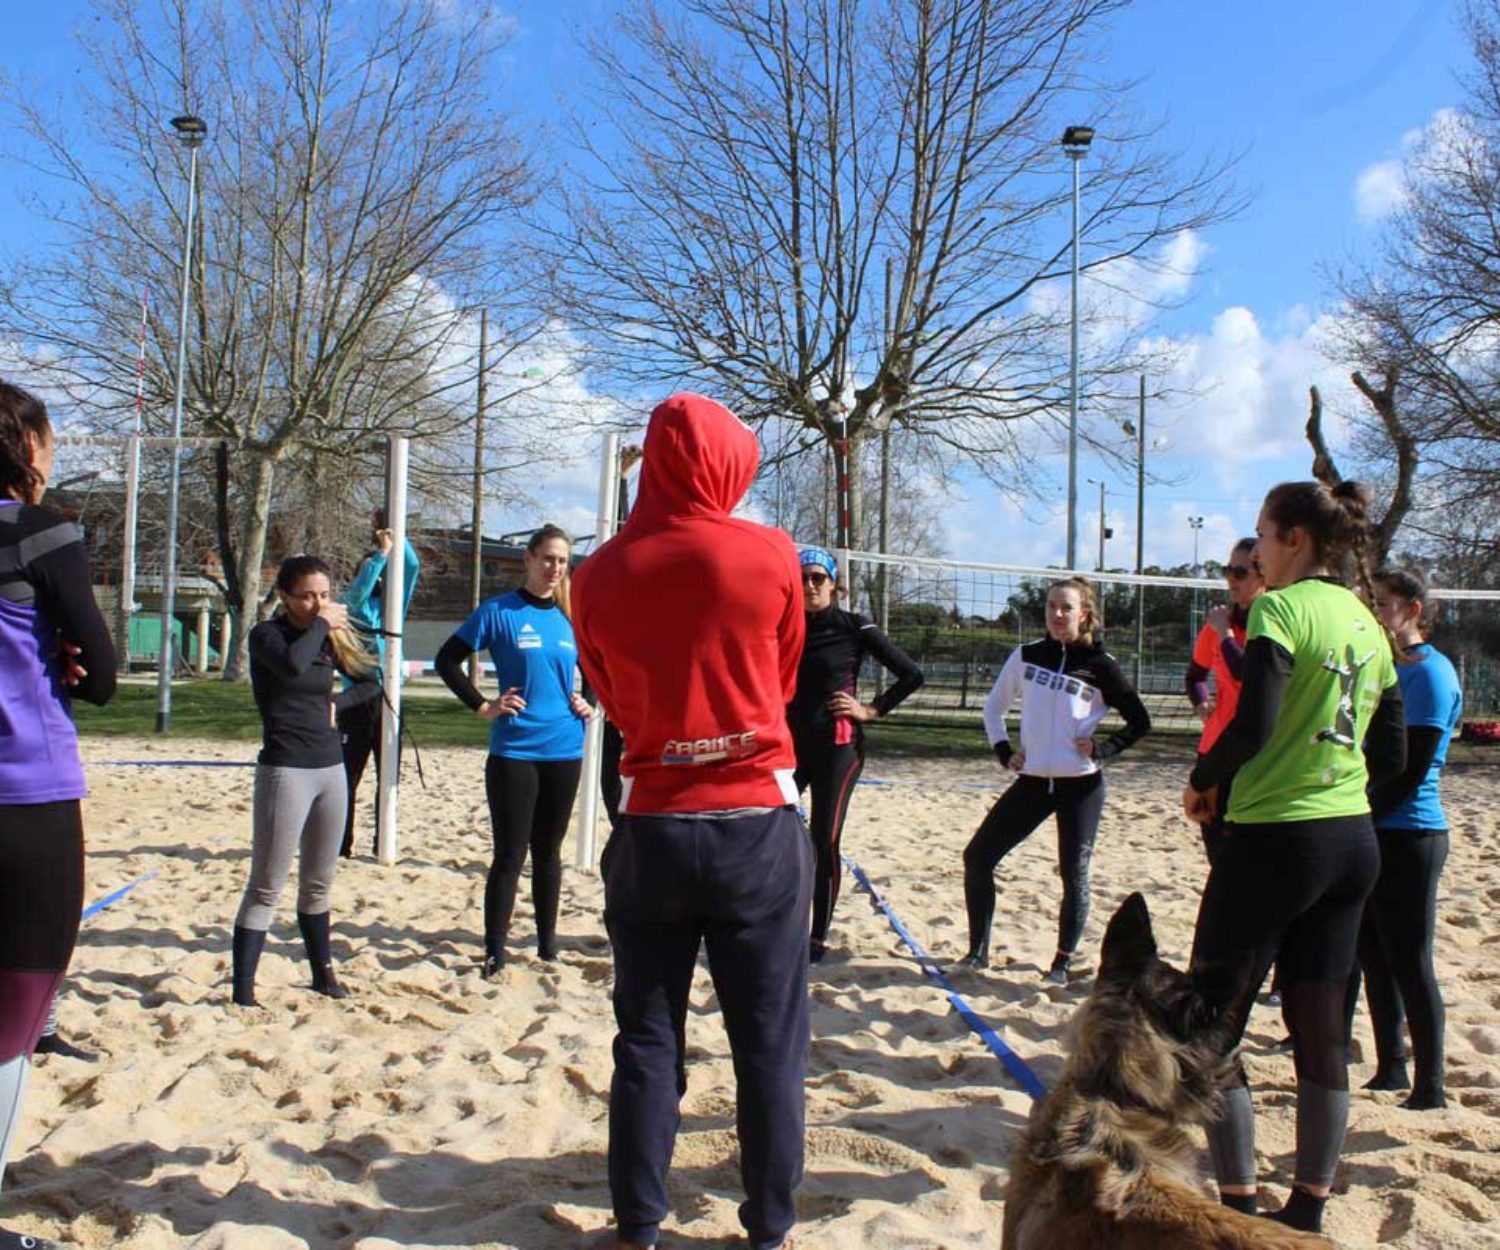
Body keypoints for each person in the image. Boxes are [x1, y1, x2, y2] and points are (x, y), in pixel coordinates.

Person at [572, 393, 809, 1250]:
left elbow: (606, 690)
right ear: (724, 461)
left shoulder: (594, 574)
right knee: (768, 1042)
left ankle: (638, 1225)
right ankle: (769, 1227)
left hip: (652, 818)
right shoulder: (770, 555)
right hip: (755, 817)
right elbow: (781, 679)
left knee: (645, 1036)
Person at [1183, 480, 1406, 1235]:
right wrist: (1340, 790)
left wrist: (1204, 780)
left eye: (1262, 539)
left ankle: (1241, 1202)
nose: (1257, 557)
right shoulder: (1367, 621)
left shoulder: (1281, 609)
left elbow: (1255, 724)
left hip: (1276, 838)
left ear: (1295, 541)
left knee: (1211, 1027)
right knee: (1320, 1029)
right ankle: (1308, 1208)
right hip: (1351, 842)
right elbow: (1394, 750)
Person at [0, 380, 116, 1247]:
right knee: (14, 1020)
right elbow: (104, 671)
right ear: (23, 444)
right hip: (24, 794)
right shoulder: (39, 529)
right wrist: (75, 659)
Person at [960, 577, 1151, 983]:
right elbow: (993, 710)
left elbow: (1140, 721)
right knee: (977, 857)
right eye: (1051, 607)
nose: (1057, 615)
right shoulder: (1026, 656)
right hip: (1032, 782)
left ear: (1084, 614)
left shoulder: (1101, 665)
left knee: (1073, 874)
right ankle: (976, 953)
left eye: (1066, 608)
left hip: (1080, 786)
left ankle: (1061, 964)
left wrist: (1104, 748)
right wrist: (1003, 751)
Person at [434, 524, 591, 978]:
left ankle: (547, 945)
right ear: (528, 558)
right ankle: (494, 950)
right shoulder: (499, 612)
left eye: (562, 561)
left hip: (565, 747)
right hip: (515, 751)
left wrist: (589, 701)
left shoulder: (570, 617)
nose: (554, 568)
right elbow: (447, 660)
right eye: (547, 559)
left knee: (550, 850)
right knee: (510, 853)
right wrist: (483, 705)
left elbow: (598, 670)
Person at [232, 555, 379, 1007]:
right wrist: (322, 624)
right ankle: (243, 990)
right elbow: (293, 666)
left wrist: (341, 698)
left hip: (329, 765)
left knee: (319, 881)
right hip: (285, 768)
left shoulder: (330, 636)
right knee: (267, 883)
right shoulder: (267, 636)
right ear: (284, 596)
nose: (318, 604)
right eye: (307, 596)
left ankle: (322, 974)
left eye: (324, 595)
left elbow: (372, 681)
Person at [1352, 565, 1461, 1109]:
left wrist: (1359, 814)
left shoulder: (1431, 675)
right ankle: (1390, 1064)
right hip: (1377, 824)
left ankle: (1432, 1084)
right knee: (1373, 950)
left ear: (1412, 609)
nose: (1375, 610)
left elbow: (1410, 770)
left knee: (1412, 957)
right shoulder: (1386, 667)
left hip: (1412, 830)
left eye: (1384, 602)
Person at [788, 545, 923, 963]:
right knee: (769, 834)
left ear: (834, 585)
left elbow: (912, 674)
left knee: (824, 839)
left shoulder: (853, 626)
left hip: (839, 748)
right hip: (790, 747)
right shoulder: (783, 627)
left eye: (818, 578)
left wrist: (872, 709)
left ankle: (817, 935)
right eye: (803, 578)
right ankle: (776, 921)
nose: (810, 585)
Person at [339, 508, 420, 858]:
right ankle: (342, 844)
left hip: (389, 701)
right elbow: (358, 594)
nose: (380, 581)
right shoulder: (350, 606)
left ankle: (381, 842)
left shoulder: (391, 610)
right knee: (348, 777)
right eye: (374, 574)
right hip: (357, 699)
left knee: (388, 778)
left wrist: (396, 532)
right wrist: (380, 554)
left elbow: (412, 568)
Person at [1184, 537, 1265, 862]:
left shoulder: (1272, 623)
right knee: (1218, 853)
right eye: (1227, 569)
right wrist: (1201, 702)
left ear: (1263, 575)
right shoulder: (1218, 623)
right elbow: (1194, 675)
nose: (1231, 578)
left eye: (1240, 572)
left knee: (1248, 855)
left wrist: (1224, 633)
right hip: (1214, 751)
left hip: (1255, 754)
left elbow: (1248, 673)